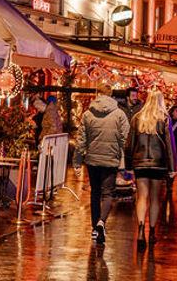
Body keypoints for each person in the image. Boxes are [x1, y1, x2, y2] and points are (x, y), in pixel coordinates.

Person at [73, 80, 130, 244]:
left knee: (95, 193)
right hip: (111, 159)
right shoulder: (119, 114)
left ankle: (95, 229)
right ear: (111, 95)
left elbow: (81, 140)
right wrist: (121, 154)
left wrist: (77, 161)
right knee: (108, 193)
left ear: (97, 94)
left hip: (92, 159)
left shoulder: (87, 114)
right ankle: (101, 223)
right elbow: (125, 137)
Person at [125, 89, 176, 248]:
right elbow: (170, 144)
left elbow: (130, 144)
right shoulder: (164, 119)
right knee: (155, 199)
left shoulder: (137, 118)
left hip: (140, 163)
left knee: (142, 197)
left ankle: (141, 230)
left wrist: (128, 166)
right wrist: (172, 167)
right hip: (158, 164)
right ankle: (152, 232)